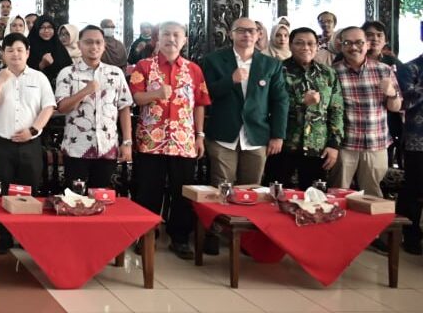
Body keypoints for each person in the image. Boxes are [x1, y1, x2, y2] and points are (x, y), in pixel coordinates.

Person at [127, 22, 209, 260]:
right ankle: (145, 235)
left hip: (183, 142)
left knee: (181, 192)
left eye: (176, 35)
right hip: (151, 142)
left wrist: (200, 135)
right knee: (148, 191)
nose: (171, 39)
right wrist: (155, 94)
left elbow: (200, 104)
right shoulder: (144, 66)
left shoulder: (194, 70)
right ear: (157, 40)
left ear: (184, 40)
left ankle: (180, 238)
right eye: (165, 35)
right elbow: (135, 98)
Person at [0, 33, 56, 253]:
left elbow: (48, 107)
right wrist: (1, 81)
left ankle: (26, 236)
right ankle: (2, 238)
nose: (15, 54)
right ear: (3, 54)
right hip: (2, 144)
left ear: (28, 53)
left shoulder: (38, 78)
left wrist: (33, 130)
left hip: (30, 144)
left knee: (28, 190)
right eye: (10, 50)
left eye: (20, 50)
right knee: (3, 190)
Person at [199, 17, 288, 188]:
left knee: (252, 189)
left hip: (256, 134)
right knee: (222, 188)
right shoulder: (214, 60)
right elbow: (205, 94)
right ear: (231, 35)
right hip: (222, 135)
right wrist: (230, 80)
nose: (246, 34)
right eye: (240, 30)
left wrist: (278, 135)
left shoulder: (271, 64)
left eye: (251, 30)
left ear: (258, 35)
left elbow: (280, 101)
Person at [263, 27, 343, 190]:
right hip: (283, 145)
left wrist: (334, 145)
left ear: (317, 46)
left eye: (310, 43)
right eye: (299, 43)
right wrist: (302, 102)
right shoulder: (277, 70)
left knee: (315, 198)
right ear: (290, 46)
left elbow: (336, 110)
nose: (305, 47)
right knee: (276, 194)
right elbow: (268, 105)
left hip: (317, 146)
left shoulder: (328, 74)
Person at [55, 25, 134, 189]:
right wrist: (85, 91)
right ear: (79, 45)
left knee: (101, 198)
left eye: (98, 42)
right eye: (89, 42)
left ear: (104, 45)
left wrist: (127, 142)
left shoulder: (115, 73)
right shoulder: (68, 73)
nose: (94, 47)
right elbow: (62, 107)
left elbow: (124, 107)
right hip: (77, 148)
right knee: (75, 200)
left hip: (107, 147)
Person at [332, 27, 400, 199]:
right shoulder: (332, 72)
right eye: (348, 43)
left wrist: (391, 93)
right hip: (344, 144)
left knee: (372, 196)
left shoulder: (384, 70)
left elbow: (395, 107)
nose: (354, 47)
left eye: (359, 42)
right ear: (341, 46)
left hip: (375, 142)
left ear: (367, 44)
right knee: (337, 194)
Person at [399, 44, 423, 255]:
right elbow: (406, 101)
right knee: (414, 189)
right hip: (418, 141)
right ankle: (410, 236)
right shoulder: (411, 68)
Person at [27, 17, 72, 84]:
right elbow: (25, 72)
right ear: (36, 29)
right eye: (42, 27)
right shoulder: (28, 48)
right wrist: (41, 65)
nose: (46, 30)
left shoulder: (58, 47)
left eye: (50, 27)